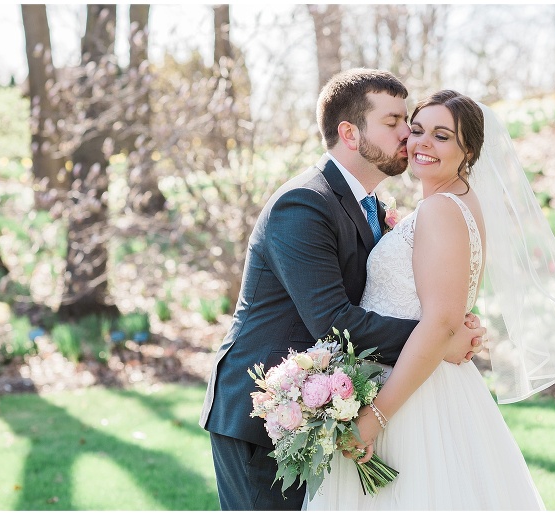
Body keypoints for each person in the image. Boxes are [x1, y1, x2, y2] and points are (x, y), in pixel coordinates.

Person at [198, 70, 486, 511]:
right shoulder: (303, 203)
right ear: (350, 134)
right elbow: (333, 320)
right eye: (394, 122)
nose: (407, 135)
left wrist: (445, 323)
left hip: (330, 406)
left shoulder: (372, 208)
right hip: (266, 415)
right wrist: (439, 339)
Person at [305, 91, 555, 510]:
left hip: (410, 397)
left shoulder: (440, 209)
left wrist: (375, 418)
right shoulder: (456, 203)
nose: (422, 143)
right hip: (420, 380)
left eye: (442, 136)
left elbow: (441, 323)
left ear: (469, 151)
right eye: (417, 130)